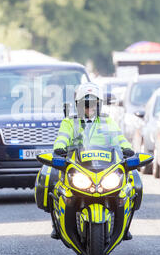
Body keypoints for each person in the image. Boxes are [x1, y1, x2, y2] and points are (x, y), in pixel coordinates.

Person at [51, 82, 135, 240]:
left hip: (104, 166)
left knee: (133, 183)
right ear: (78, 105)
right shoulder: (69, 122)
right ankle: (56, 225)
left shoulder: (106, 121)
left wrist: (127, 149)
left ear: (99, 105)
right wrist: (59, 149)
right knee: (52, 181)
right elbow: (62, 137)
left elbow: (119, 137)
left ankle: (125, 226)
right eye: (86, 104)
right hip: (78, 165)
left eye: (94, 104)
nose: (90, 108)